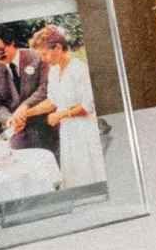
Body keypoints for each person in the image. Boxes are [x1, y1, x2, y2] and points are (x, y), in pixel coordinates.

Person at [26, 25, 104, 189]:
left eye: (45, 53)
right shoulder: (54, 71)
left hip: (84, 130)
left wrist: (60, 115)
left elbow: (87, 106)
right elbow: (52, 101)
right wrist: (27, 113)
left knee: (87, 173)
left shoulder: (79, 69)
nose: (44, 59)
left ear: (59, 47)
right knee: (72, 175)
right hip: (68, 131)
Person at [0, 33, 58, 157]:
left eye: (0, 51)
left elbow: (45, 88)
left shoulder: (37, 56)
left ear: (12, 43)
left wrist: (25, 106)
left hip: (48, 128)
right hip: (19, 137)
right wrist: (9, 119)